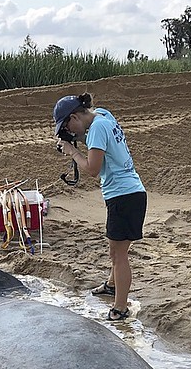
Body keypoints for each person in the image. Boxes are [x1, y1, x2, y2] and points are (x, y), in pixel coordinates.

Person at [53, 93, 147, 321]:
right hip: (130, 193)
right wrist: (77, 140)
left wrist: (72, 151)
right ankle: (113, 286)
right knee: (115, 250)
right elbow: (101, 144)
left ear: (74, 117)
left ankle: (121, 308)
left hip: (123, 196)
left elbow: (93, 168)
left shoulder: (96, 128)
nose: (71, 132)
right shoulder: (103, 115)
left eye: (68, 126)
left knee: (119, 255)